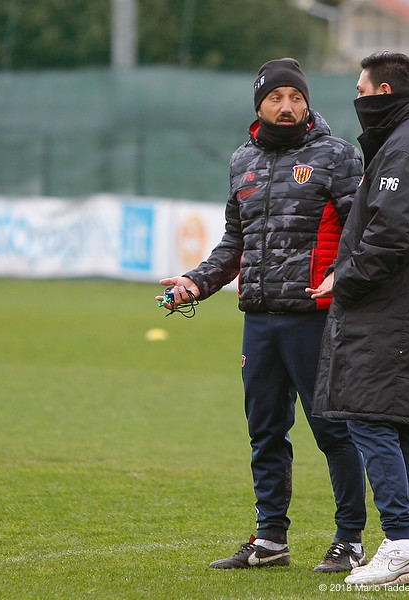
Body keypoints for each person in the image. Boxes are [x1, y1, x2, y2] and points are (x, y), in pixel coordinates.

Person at [158, 58, 368, 573]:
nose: (287, 106)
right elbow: (235, 242)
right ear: (260, 105)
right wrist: (197, 282)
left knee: (333, 433)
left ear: (307, 103)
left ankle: (350, 540)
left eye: (296, 97)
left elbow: (361, 232)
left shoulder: (337, 155)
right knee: (266, 432)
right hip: (259, 321)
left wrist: (341, 276)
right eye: (276, 97)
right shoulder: (242, 161)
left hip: (316, 318)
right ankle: (270, 539)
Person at [309, 52, 409, 586]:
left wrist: (343, 278)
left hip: (391, 311)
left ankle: (401, 543)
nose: (357, 99)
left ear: (384, 91)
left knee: (369, 418)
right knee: (393, 423)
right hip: (405, 310)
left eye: (361, 90)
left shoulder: (408, 145)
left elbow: (392, 234)